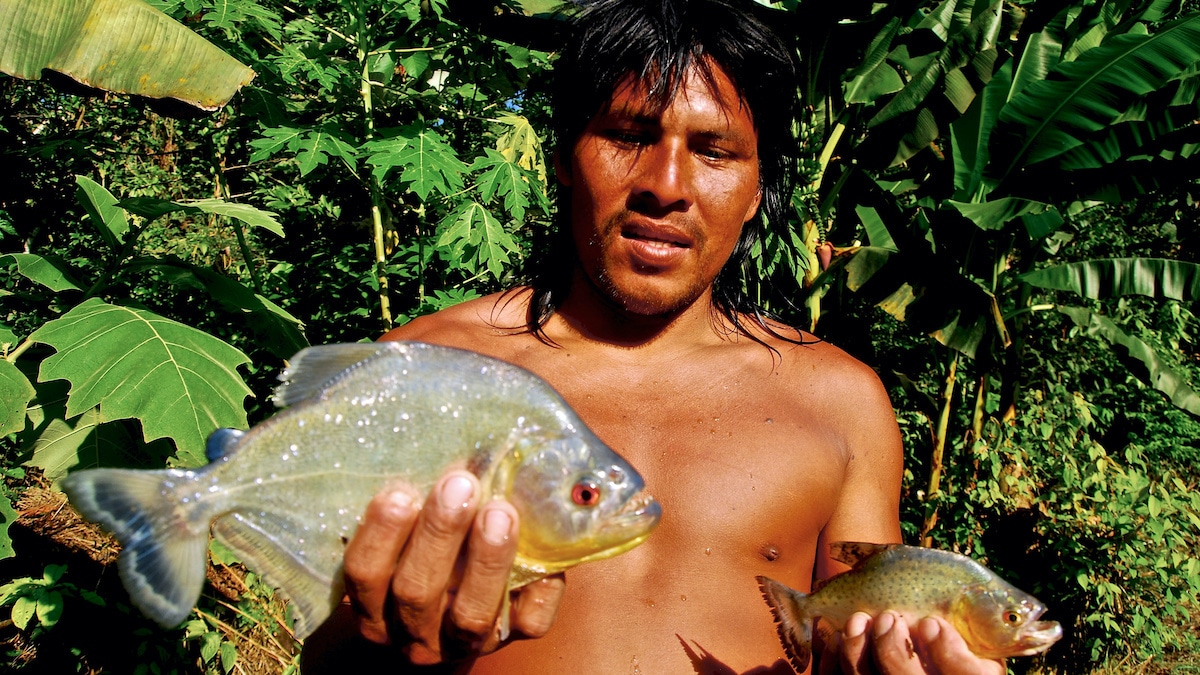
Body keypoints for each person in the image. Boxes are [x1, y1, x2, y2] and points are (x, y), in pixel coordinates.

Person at [302, 1, 1007, 672]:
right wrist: (391, 640)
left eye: (714, 152)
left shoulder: (841, 404)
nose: (665, 185)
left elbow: (854, 639)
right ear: (561, 161)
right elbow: (323, 657)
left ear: (758, 189)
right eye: (628, 136)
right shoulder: (427, 367)